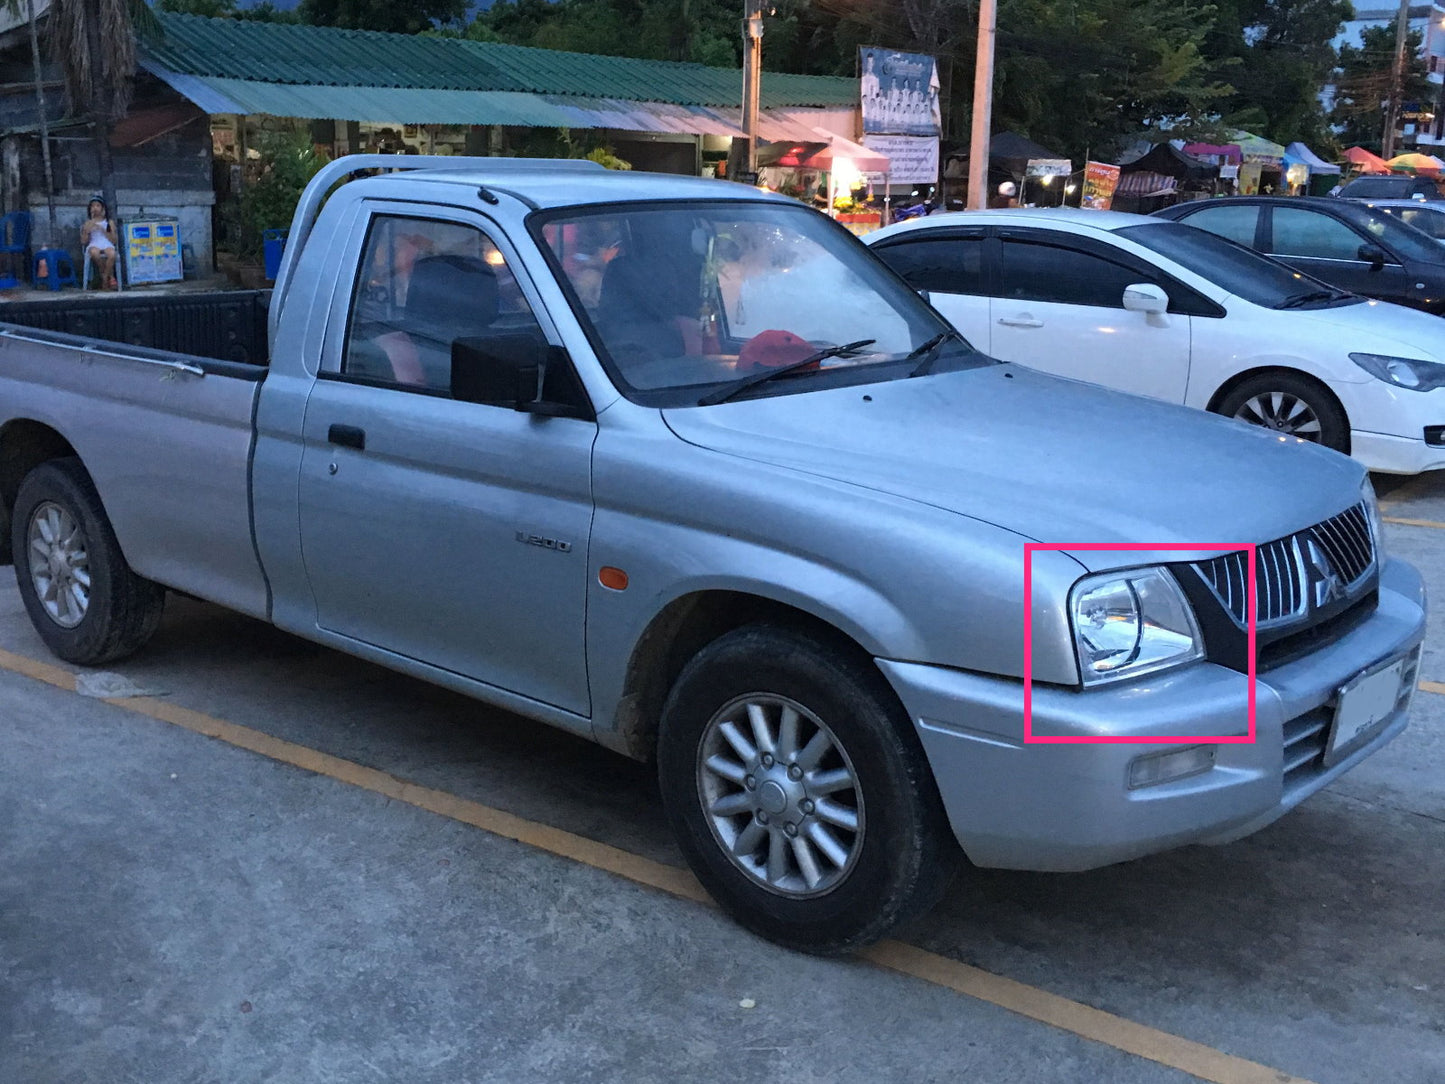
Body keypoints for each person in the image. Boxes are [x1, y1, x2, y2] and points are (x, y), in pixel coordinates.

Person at [81, 197, 118, 289]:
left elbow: (114, 240)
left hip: (106, 243)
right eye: (93, 206)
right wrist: (87, 231)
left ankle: (104, 277)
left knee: (112, 254)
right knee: (94, 253)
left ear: (102, 208)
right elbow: (83, 241)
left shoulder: (109, 222)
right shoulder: (88, 223)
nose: (95, 208)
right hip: (94, 243)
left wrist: (102, 229)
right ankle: (106, 275)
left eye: (98, 206)